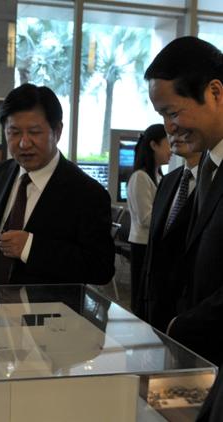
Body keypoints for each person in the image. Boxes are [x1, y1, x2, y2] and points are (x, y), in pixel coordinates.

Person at [0, 83, 114, 286]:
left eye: (34, 132)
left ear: (57, 131)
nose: (24, 143)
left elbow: (100, 268)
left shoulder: (87, 193)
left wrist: (31, 248)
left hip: (43, 306)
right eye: (14, 132)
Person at [145, 36, 223, 366]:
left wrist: (183, 327)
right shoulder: (206, 166)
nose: (169, 127)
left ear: (215, 93)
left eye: (173, 112)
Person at [141, 132, 201, 331]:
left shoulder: (212, 185)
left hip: (191, 317)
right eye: (168, 118)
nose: (174, 129)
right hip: (156, 309)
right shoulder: (168, 181)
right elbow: (153, 250)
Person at [126, 124, 171, 315]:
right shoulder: (140, 177)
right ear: (154, 145)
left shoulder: (158, 176)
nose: (171, 149)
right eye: (168, 142)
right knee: (141, 295)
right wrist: (172, 217)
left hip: (153, 243)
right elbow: (145, 218)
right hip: (142, 245)